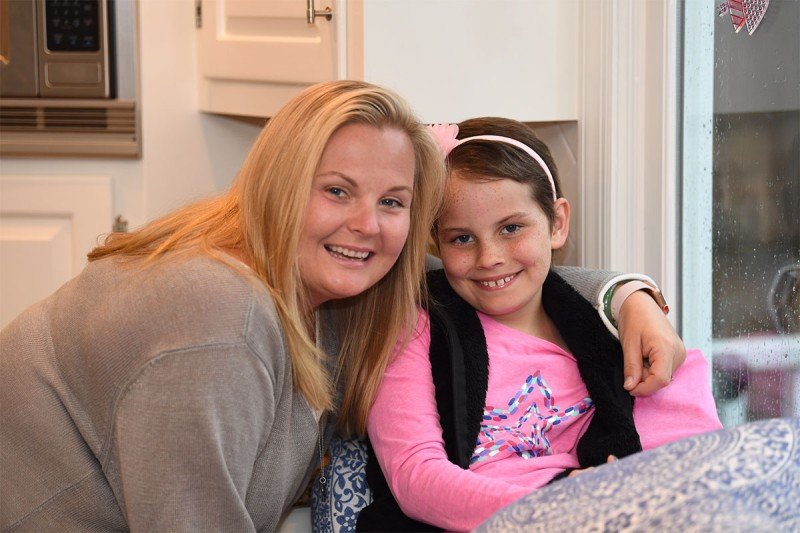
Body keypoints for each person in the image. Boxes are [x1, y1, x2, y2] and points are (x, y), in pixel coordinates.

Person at [0, 82, 681, 532]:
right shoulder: (212, 317)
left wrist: (629, 297)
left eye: (392, 202)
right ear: (278, 183)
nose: (367, 224)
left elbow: (491, 273)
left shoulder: (339, 279)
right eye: (336, 191)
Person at [358, 118, 722, 532]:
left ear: (557, 223)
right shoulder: (414, 329)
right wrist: (554, 506)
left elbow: (689, 462)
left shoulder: (615, 337)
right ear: (434, 242)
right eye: (461, 238)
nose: (489, 257)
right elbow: (415, 478)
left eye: (511, 228)